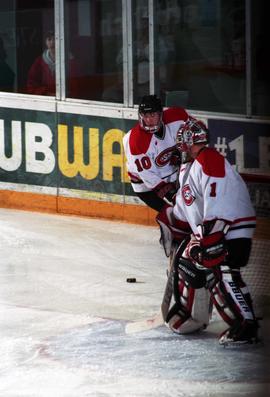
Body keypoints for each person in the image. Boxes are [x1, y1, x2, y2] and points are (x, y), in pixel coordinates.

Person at [158, 117, 259, 346]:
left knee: (222, 271)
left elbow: (218, 197)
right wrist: (172, 219)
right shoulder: (191, 167)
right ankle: (191, 315)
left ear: (188, 141)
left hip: (230, 227)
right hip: (216, 228)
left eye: (183, 142)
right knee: (188, 261)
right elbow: (187, 210)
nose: (180, 147)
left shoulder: (209, 159)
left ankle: (246, 326)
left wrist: (212, 235)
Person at [123, 94, 189, 213]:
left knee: (189, 209)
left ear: (160, 114)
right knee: (169, 215)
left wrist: (181, 152)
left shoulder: (177, 117)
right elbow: (147, 175)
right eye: (145, 116)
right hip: (145, 184)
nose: (148, 120)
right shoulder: (135, 140)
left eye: (153, 115)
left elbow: (195, 135)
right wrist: (170, 194)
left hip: (173, 174)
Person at [26, 31, 79, 96]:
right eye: (49, 39)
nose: (52, 42)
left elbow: (75, 85)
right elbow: (31, 84)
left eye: (55, 39)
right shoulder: (39, 61)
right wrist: (45, 93)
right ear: (46, 42)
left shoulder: (70, 61)